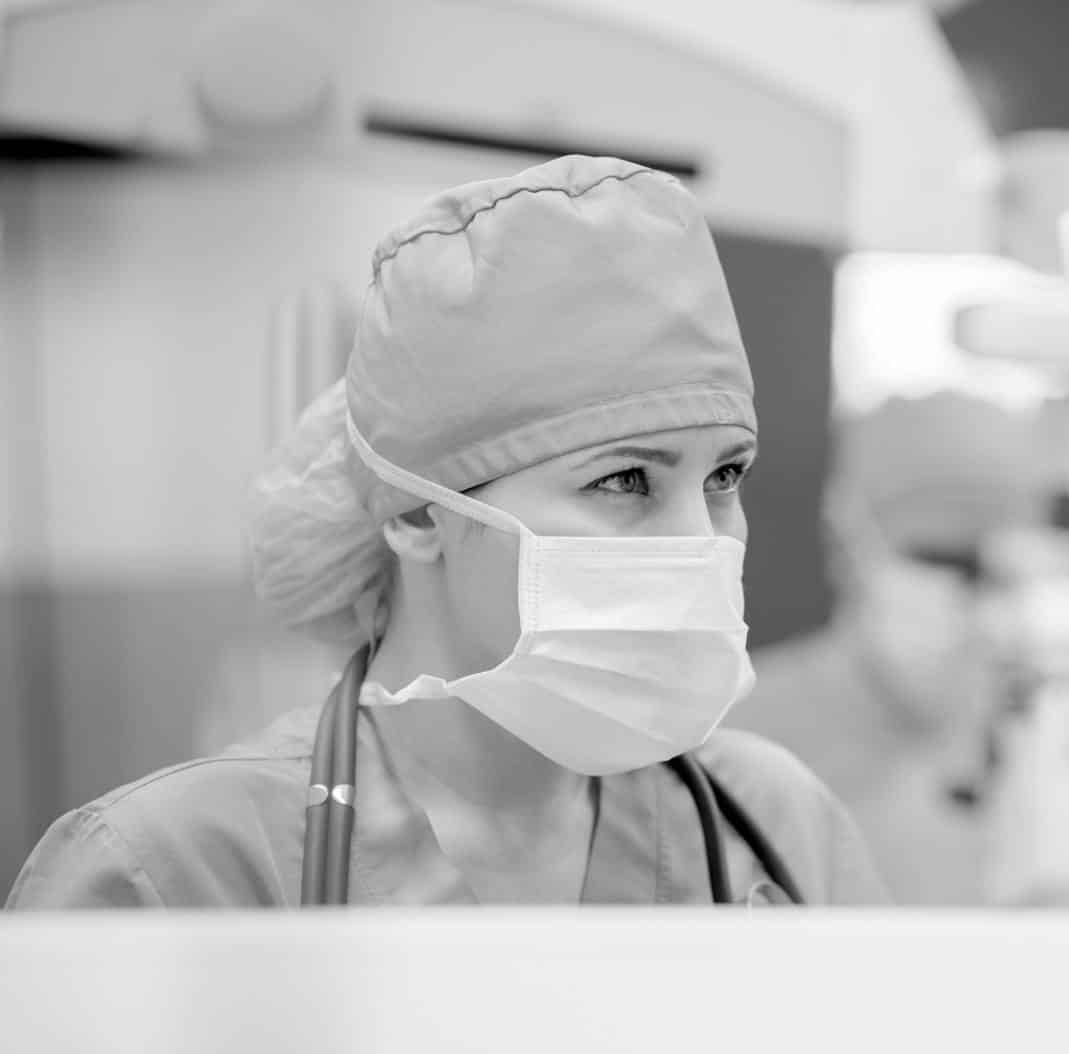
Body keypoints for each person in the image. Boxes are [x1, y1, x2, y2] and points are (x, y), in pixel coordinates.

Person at [7, 157, 884, 908]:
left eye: (724, 476)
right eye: (623, 480)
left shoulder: (776, 830)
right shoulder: (175, 873)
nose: (702, 543)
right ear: (419, 509)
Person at [726, 391, 1067, 904]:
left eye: (1004, 576)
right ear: (849, 544)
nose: (981, 606)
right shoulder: (736, 737)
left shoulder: (1045, 742)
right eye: (947, 560)